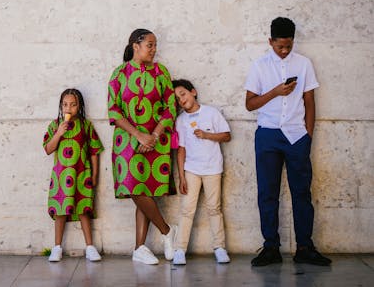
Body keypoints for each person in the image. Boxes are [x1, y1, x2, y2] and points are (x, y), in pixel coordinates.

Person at [245, 17, 331, 266]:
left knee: (301, 192)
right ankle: (270, 247)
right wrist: (275, 91)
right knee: (267, 193)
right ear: (270, 41)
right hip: (268, 135)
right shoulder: (259, 66)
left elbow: (310, 101)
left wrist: (308, 135)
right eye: (280, 46)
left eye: (289, 46)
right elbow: (249, 104)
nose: (284, 50)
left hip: (297, 136)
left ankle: (304, 247)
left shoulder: (304, 64)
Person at [108, 28, 177, 265]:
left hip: (156, 142)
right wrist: (138, 135)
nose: (154, 49)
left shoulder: (161, 72)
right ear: (135, 46)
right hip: (127, 141)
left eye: (155, 45)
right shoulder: (119, 74)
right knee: (135, 188)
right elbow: (114, 111)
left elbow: (170, 107)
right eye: (150, 45)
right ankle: (167, 231)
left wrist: (154, 136)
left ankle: (139, 248)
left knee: (145, 190)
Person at [171, 79, 231, 265]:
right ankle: (180, 249)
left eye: (183, 94)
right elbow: (181, 150)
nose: (181, 100)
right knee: (186, 210)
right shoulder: (180, 120)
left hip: (213, 168)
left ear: (193, 92)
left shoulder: (211, 113)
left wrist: (207, 135)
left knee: (214, 208)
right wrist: (181, 176)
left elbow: (227, 135)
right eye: (177, 98)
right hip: (191, 170)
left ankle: (219, 248)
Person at [43, 88, 104, 262]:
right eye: (65, 104)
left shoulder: (86, 126)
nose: (68, 108)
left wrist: (95, 175)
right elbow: (48, 149)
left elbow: (94, 152)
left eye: (73, 105)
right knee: (61, 211)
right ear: (61, 106)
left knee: (84, 210)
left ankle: (90, 247)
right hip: (61, 177)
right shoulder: (55, 125)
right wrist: (59, 134)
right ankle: (57, 247)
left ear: (80, 106)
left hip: (81, 174)